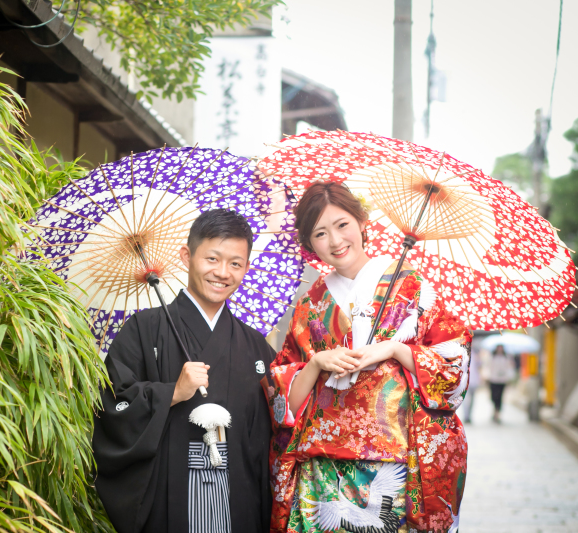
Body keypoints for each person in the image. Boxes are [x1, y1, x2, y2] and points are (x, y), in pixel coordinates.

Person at [264, 182, 471, 533]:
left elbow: (453, 367)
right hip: (323, 465)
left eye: (342, 225)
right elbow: (281, 397)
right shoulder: (309, 304)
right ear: (309, 243)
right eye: (320, 233)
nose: (335, 241)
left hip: (398, 463)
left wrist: (395, 349)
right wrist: (315, 364)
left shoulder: (414, 288)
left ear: (362, 221)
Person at [92, 209, 276, 533]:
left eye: (236, 263)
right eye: (212, 259)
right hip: (170, 493)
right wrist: (172, 393)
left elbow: (275, 430)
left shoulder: (255, 346)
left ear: (246, 268)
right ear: (187, 255)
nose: (223, 272)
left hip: (238, 498)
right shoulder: (142, 330)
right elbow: (111, 406)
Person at [488, 344, 514, 424]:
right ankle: (495, 410)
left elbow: (509, 368)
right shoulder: (492, 358)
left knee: (500, 397)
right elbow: (488, 367)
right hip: (493, 379)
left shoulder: (506, 358)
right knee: (493, 397)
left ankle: (497, 413)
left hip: (502, 380)